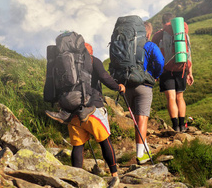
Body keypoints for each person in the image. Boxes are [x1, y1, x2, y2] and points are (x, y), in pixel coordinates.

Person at [46, 43, 126, 177]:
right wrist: (118, 87)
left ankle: (77, 177)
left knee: (78, 146)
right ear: (90, 52)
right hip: (92, 108)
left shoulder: (66, 64)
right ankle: (114, 174)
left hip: (71, 111)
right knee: (105, 140)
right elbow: (105, 77)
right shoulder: (93, 60)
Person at [124, 21, 164, 165]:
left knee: (137, 119)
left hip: (128, 86)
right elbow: (160, 61)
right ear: (148, 33)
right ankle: (140, 155)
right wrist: (155, 75)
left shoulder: (127, 45)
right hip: (144, 85)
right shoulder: (149, 45)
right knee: (142, 118)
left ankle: (145, 149)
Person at [151, 13, 194, 132]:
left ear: (163, 22)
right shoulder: (182, 32)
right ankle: (182, 125)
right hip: (181, 68)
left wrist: (155, 72)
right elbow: (188, 53)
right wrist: (189, 72)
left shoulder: (158, 35)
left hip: (166, 70)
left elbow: (154, 55)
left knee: (171, 97)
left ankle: (175, 126)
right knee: (180, 97)